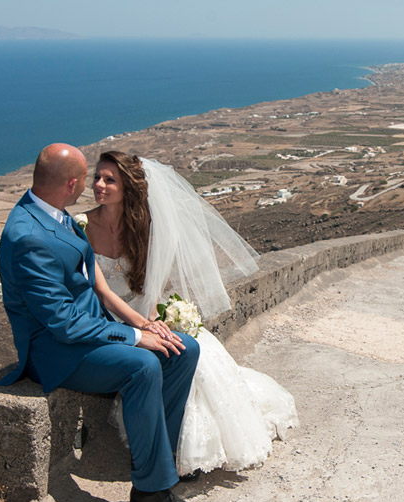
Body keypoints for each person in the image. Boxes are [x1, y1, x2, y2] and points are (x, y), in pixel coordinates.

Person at [0, 143, 204, 502]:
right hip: (57, 351)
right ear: (72, 183)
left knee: (184, 348)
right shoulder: (29, 236)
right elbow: (62, 323)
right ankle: (151, 491)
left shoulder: (53, 214)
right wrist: (133, 336)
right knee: (143, 365)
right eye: (89, 178)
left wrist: (139, 325)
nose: (93, 187)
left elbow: (94, 290)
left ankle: (158, 457)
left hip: (89, 333)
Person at [84, 150, 299, 476]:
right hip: (111, 318)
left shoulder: (145, 228)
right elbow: (102, 291)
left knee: (195, 355)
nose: (98, 185)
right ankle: (164, 448)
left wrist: (157, 318)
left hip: (144, 313)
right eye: (97, 177)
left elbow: (153, 284)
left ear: (128, 186)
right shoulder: (82, 226)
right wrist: (141, 325)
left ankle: (184, 447)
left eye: (109, 179)